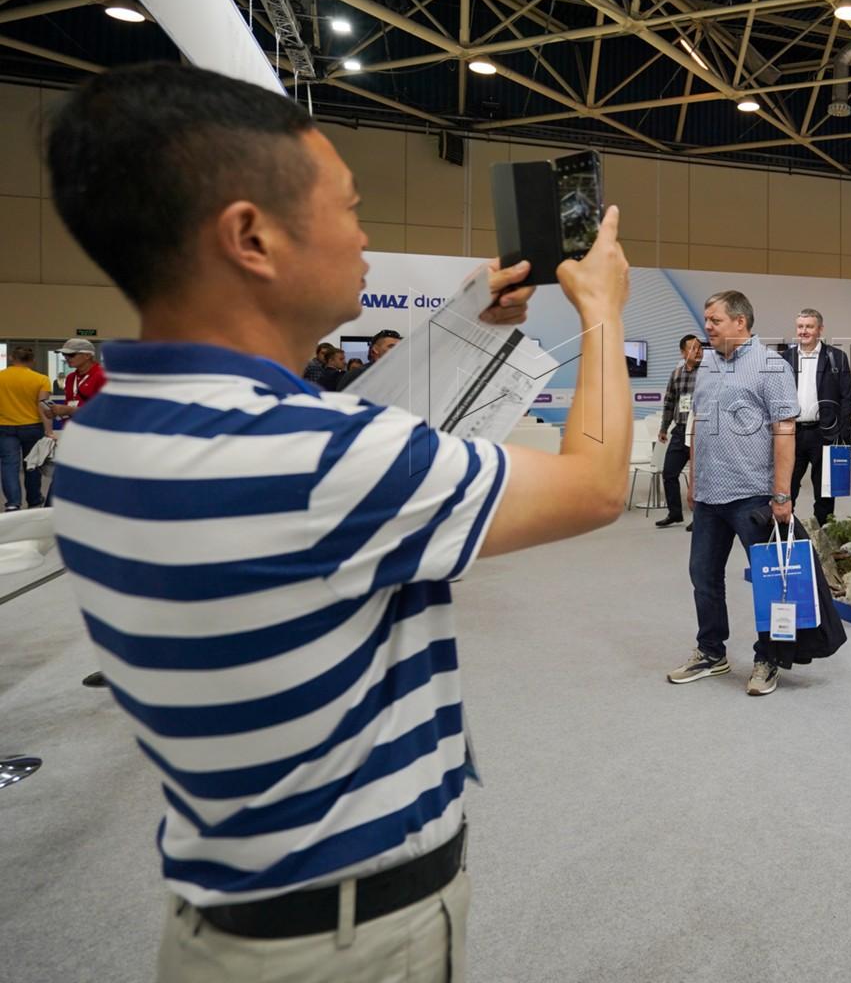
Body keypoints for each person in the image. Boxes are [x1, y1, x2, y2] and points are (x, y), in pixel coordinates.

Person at [45, 61, 633, 982]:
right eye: (349, 208)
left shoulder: (108, 434)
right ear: (252, 236)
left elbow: (349, 445)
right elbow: (594, 485)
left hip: (228, 917)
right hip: (353, 945)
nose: (363, 236)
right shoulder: (314, 460)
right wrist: (602, 314)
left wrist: (469, 324)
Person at [669, 290, 798, 697]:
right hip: (709, 495)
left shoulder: (772, 366)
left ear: (740, 322)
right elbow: (698, 423)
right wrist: (694, 477)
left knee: (767, 582)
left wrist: (782, 494)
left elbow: (785, 430)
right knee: (703, 576)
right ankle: (711, 651)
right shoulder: (706, 364)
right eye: (706, 319)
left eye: (715, 320)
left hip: (753, 495)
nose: (706, 327)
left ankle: (769, 658)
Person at [780, 308, 851, 526]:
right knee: (787, 487)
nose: (804, 331)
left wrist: (841, 433)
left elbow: (847, 397)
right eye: (800, 326)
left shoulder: (836, 358)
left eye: (809, 327)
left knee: (825, 490)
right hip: (793, 434)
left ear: (820, 329)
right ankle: (787, 531)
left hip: (825, 434)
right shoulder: (785, 359)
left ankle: (824, 529)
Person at [655, 333, 703, 529]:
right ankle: (674, 513)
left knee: (699, 477)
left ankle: (700, 518)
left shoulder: (707, 373)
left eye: (700, 347)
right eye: (693, 348)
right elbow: (669, 402)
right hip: (680, 429)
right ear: (683, 352)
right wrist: (664, 427)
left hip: (700, 431)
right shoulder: (676, 374)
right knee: (669, 472)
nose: (698, 351)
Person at [0, 344, 52, 511]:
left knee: (9, 465)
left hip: (4, 427)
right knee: (32, 464)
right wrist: (49, 431)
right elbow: (43, 406)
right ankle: (34, 500)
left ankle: (13, 503)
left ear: (11, 358)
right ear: (33, 360)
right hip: (32, 427)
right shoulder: (41, 379)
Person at [46, 337, 106, 421]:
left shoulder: (103, 376)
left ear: (87, 355)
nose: (66, 358)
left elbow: (108, 410)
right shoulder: (71, 377)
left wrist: (71, 410)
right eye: (64, 354)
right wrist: (58, 413)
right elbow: (70, 404)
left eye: (71, 355)